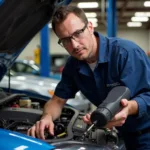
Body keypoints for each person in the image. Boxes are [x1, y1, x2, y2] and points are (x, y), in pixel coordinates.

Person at [27, 5, 150, 150]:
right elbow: (57, 100)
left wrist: (129, 108)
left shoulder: (126, 53)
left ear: (90, 27)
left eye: (78, 33)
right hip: (120, 134)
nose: (74, 45)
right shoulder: (73, 66)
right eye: (65, 40)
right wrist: (46, 117)